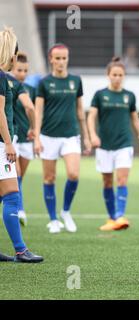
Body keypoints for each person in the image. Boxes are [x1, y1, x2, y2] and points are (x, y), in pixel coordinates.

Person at [35, 43, 91, 234]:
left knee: (73, 174)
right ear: (51, 59)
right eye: (57, 58)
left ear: (68, 59)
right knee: (49, 178)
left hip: (71, 135)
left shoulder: (76, 80)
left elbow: (80, 110)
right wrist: (36, 137)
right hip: (48, 136)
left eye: (64, 58)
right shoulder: (43, 83)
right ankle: (53, 220)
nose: (61, 62)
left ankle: (65, 211)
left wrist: (86, 136)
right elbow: (38, 111)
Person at [87, 57, 139, 231]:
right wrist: (92, 136)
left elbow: (135, 120)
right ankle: (112, 218)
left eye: (120, 75)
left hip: (124, 144)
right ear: (108, 75)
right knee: (107, 182)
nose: (117, 77)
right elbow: (91, 117)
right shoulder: (100, 95)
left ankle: (120, 215)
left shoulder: (129, 96)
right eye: (114, 74)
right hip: (104, 145)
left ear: (124, 76)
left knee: (122, 180)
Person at [0, 27, 42, 262]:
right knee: (13, 194)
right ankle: (20, 249)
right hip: (0, 144)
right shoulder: (1, 78)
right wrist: (8, 143)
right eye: (15, 53)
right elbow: (0, 114)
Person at [9, 52, 36, 226]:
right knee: (16, 173)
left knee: (20, 177)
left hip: (28, 137)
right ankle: (19, 209)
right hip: (13, 136)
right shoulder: (8, 86)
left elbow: (34, 110)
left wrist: (35, 131)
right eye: (19, 70)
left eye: (25, 70)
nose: (22, 73)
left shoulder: (31, 90)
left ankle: (16, 205)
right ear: (13, 68)